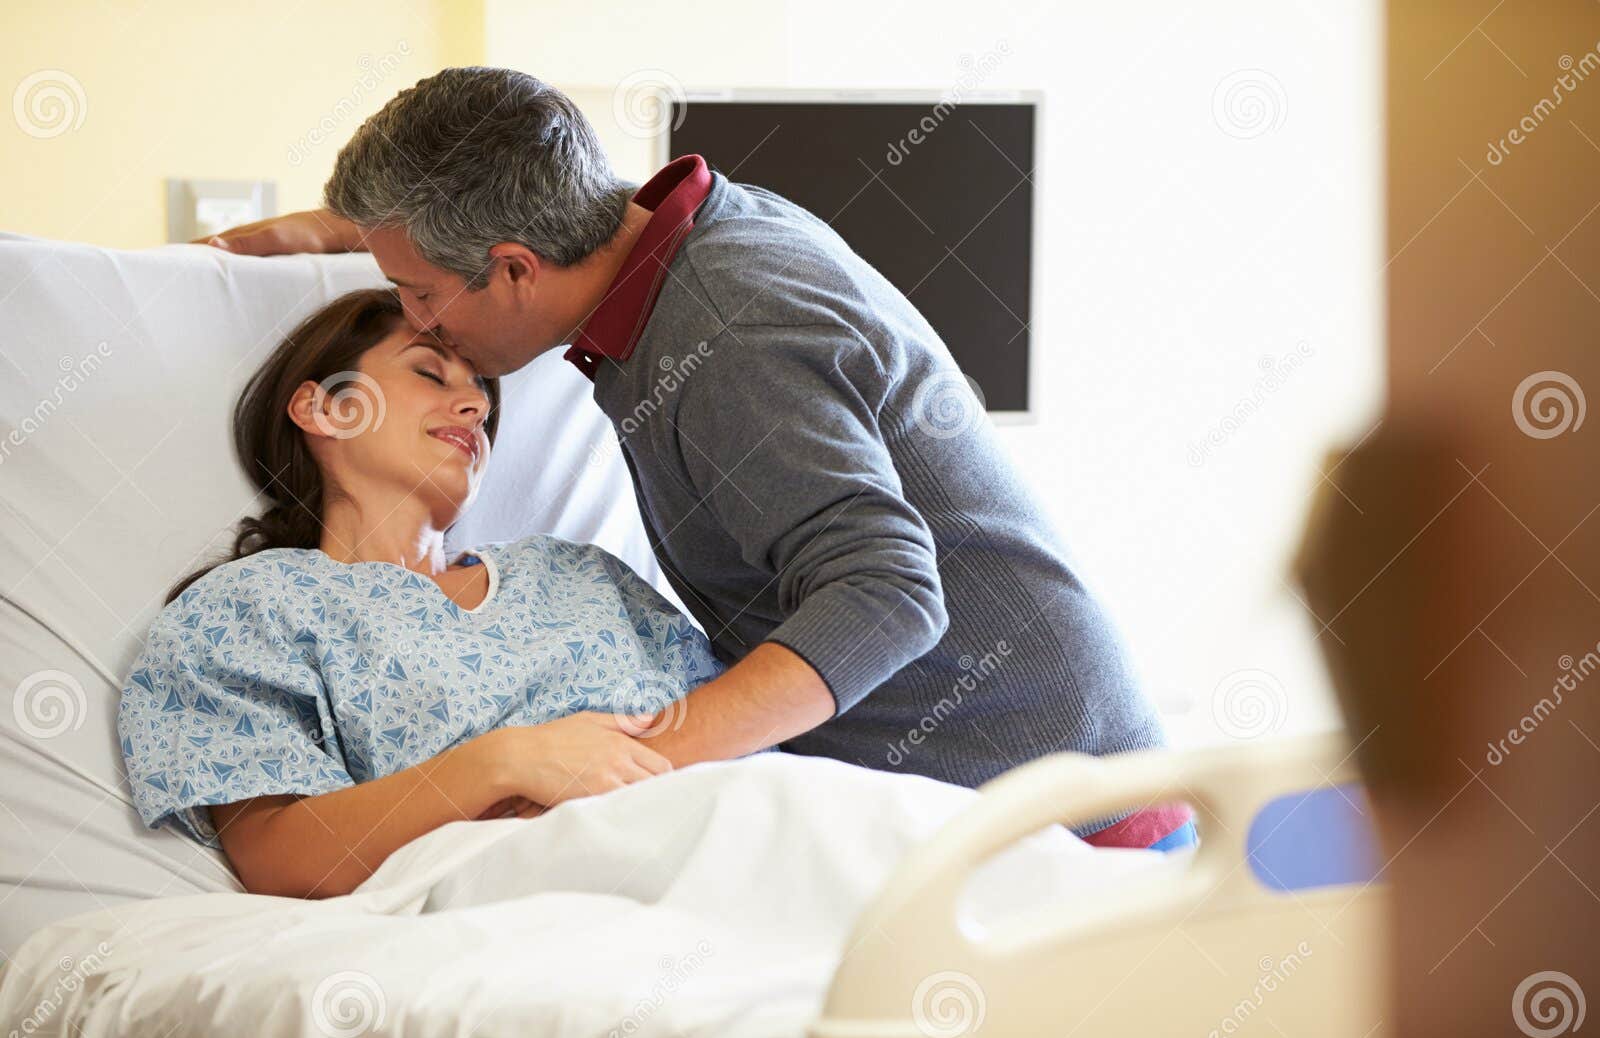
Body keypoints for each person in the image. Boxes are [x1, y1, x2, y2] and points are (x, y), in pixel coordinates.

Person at [201, 67, 1193, 851]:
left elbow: (886, 594)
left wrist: (617, 771)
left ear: (512, 268)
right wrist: (329, 234)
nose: (431, 330)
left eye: (418, 293)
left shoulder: (723, 336)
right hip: (1012, 789)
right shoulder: (686, 233)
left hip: (1050, 819)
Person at [118, 289, 723, 898]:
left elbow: (734, 723)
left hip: (716, 839)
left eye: (482, 400)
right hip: (525, 899)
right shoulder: (250, 609)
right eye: (430, 374)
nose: (474, 406)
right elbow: (281, 860)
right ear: (325, 409)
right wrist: (505, 762)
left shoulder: (580, 573)